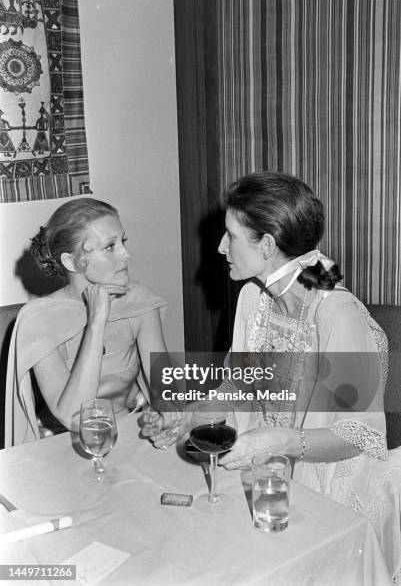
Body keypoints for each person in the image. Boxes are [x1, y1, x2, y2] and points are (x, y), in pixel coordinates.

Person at [142, 172, 400, 579]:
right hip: (268, 472)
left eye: (231, 235)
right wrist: (185, 417)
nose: (220, 246)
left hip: (330, 488)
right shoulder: (252, 299)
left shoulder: (336, 313)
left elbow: (359, 436)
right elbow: (235, 388)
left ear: (266, 244)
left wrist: (275, 441)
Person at [5, 198, 168, 446]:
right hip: (59, 445)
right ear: (71, 262)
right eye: (109, 247)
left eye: (122, 241)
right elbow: (74, 418)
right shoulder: (39, 320)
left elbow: (167, 388)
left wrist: (165, 416)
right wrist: (96, 322)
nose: (126, 254)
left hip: (126, 434)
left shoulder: (139, 302)